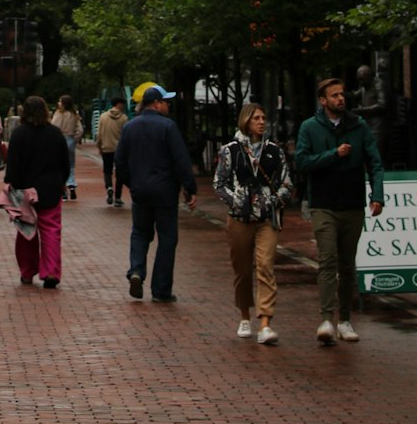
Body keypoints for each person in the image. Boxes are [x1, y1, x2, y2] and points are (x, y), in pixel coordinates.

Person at [294, 75, 385, 346]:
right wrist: (334, 154)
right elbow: (302, 162)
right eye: (334, 95)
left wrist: (377, 196)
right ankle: (325, 319)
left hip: (352, 204)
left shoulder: (358, 126)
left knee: (347, 265)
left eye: (342, 94)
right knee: (327, 259)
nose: (340, 99)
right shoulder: (309, 127)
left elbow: (375, 163)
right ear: (323, 101)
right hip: (323, 204)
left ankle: (345, 320)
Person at [214, 101, 293, 346]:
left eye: (263, 118)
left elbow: (286, 183)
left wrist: (274, 200)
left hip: (266, 219)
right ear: (246, 120)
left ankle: (266, 322)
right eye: (256, 118)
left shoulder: (274, 151)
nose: (261, 122)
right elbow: (220, 183)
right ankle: (244, 315)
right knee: (243, 269)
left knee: (265, 265)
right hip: (239, 219)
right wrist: (236, 202)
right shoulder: (231, 150)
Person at [114, 85, 197, 302]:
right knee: (167, 238)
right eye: (166, 102)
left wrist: (130, 183)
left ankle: (136, 271)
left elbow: (120, 160)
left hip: (140, 191)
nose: (168, 105)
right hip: (165, 192)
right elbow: (181, 160)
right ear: (157, 104)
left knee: (140, 232)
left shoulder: (130, 127)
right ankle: (161, 290)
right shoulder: (168, 127)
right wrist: (190, 188)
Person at [1, 94, 71, 287]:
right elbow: (65, 164)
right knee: (51, 231)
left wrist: (11, 183)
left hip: (25, 190)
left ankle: (27, 271)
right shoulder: (55, 133)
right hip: (50, 189)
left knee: (26, 233)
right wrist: (61, 182)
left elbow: (13, 165)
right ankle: (50, 274)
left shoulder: (19, 134)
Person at [50, 94, 85, 199]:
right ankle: (72, 184)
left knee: (59, 166)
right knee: (71, 165)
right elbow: (80, 130)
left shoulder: (58, 114)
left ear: (63, 104)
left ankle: (63, 190)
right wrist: (75, 139)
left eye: (60, 101)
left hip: (59, 140)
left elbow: (53, 127)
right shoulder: (75, 114)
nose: (58, 103)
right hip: (70, 139)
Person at [95, 96, 128, 206]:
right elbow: (126, 136)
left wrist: (99, 145)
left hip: (106, 148)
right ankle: (118, 197)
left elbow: (99, 133)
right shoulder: (124, 118)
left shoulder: (103, 117)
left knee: (107, 171)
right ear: (119, 104)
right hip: (120, 149)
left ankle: (109, 187)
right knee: (120, 174)